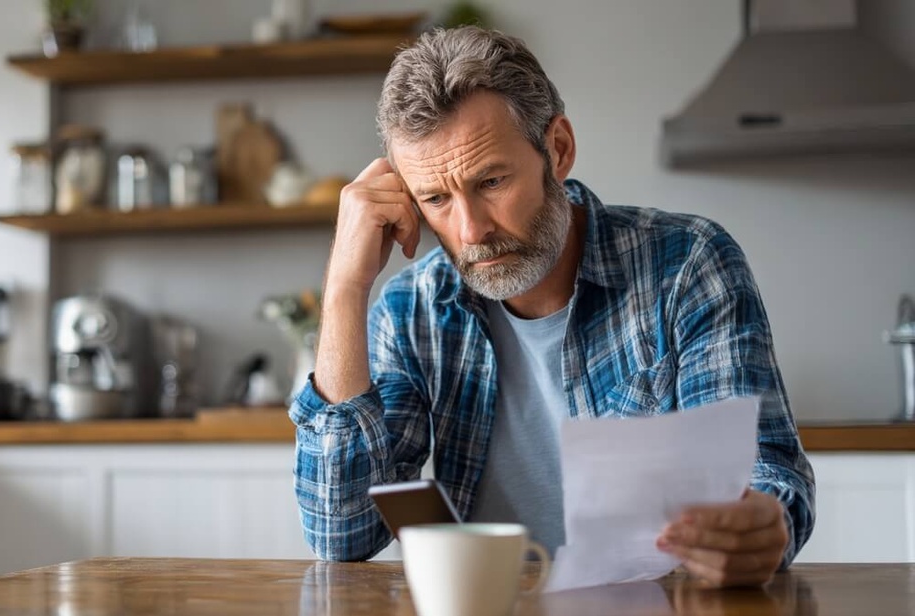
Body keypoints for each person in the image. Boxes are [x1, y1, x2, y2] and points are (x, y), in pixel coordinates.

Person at [289, 26, 815, 587]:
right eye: (436, 199)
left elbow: (764, 474)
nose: (470, 231)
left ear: (557, 149)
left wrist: (763, 522)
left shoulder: (687, 266)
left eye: (490, 181)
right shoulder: (409, 310)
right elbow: (341, 534)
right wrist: (346, 287)